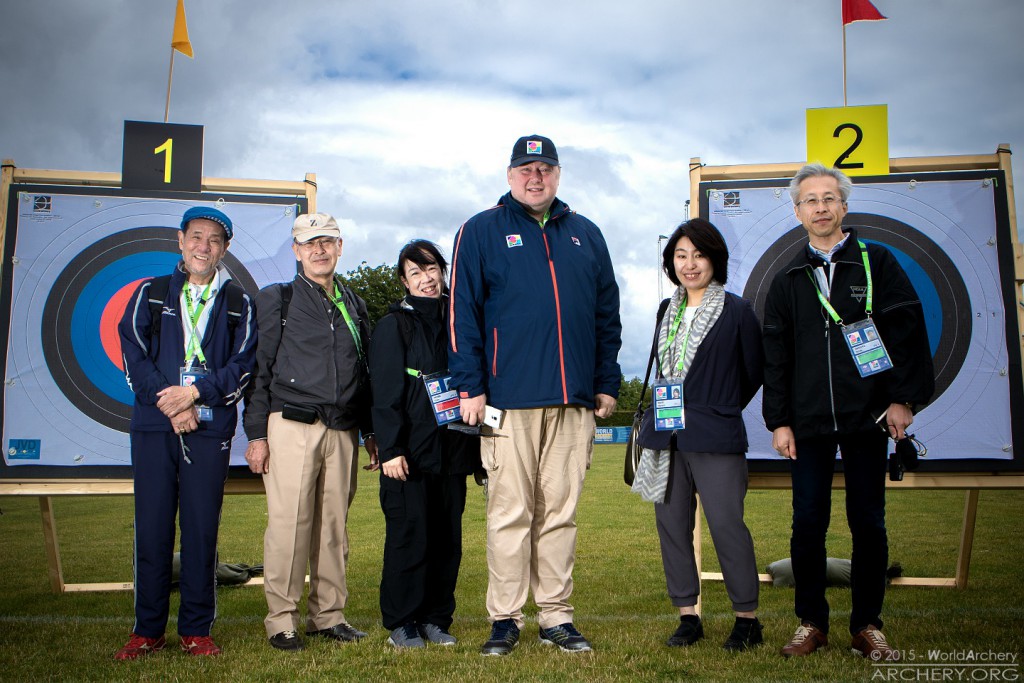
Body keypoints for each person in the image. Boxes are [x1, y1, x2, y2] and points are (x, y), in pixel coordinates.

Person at [449, 134, 622, 656]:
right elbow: (462, 314)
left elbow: (606, 315)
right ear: (509, 176)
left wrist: (605, 382)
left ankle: (555, 616)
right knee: (509, 514)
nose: (535, 177)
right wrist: (471, 387)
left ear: (558, 175)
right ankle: (505, 618)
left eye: (545, 167)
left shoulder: (586, 234)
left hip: (573, 403)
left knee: (559, 514)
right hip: (507, 402)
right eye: (525, 168)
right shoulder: (480, 230)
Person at [762, 163, 934, 658]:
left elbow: (908, 329)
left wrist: (902, 399)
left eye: (829, 198)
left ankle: (867, 626)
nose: (821, 207)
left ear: (844, 205)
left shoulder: (877, 262)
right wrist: (780, 420)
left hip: (867, 419)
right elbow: (777, 356)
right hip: (809, 423)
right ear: (797, 212)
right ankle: (811, 623)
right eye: (810, 200)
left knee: (869, 522)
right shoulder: (789, 278)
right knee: (808, 522)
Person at [115, 206, 257, 660]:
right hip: (157, 428)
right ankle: (147, 630)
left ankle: (196, 629)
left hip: (208, 429)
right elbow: (133, 356)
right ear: (181, 240)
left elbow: (244, 367)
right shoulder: (150, 293)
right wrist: (172, 404)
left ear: (225, 248)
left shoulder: (239, 302)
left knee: (200, 531)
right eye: (196, 236)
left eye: (214, 240)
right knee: (153, 529)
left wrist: (193, 395)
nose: (204, 246)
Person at [243, 212, 376, 652]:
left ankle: (328, 616)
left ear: (341, 247)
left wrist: (371, 431)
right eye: (309, 243)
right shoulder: (276, 299)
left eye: (328, 242)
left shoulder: (354, 303)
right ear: (297, 251)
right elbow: (259, 371)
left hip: (343, 428)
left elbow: (365, 373)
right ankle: (282, 620)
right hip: (291, 423)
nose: (319, 250)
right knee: (289, 525)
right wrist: (257, 435)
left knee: (333, 527)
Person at [631, 218, 764, 651]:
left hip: (715, 434)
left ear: (715, 259)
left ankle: (747, 619)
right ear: (672, 262)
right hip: (666, 435)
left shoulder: (737, 310)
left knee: (727, 526)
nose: (690, 264)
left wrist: (717, 406)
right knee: (672, 527)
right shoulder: (666, 310)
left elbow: (752, 373)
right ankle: (688, 616)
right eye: (681, 255)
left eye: (699, 255)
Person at [368, 240, 481, 649]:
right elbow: (383, 393)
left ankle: (436, 618)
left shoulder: (462, 320)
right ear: (404, 280)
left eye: (431, 269)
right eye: (415, 272)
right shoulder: (393, 325)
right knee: (408, 536)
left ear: (443, 271)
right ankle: (403, 622)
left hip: (453, 451)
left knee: (447, 540)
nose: (426, 279)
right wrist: (391, 448)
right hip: (409, 454)